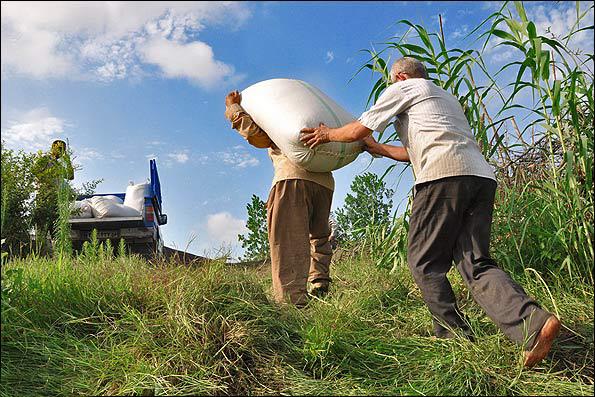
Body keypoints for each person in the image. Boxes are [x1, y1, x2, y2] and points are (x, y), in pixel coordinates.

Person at [300, 57, 561, 368]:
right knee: (475, 262)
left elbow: (358, 129)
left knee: (423, 262)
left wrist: (327, 135)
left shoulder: (404, 88)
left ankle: (455, 339)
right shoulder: (444, 97)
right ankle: (533, 324)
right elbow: (412, 152)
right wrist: (379, 148)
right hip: (480, 178)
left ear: (399, 76)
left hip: (442, 178)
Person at [224, 90, 334, 306]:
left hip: (291, 178)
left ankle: (293, 304)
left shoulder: (282, 118)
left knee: (287, 241)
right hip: (324, 184)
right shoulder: (319, 118)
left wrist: (233, 109)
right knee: (319, 236)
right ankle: (319, 280)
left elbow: (257, 137)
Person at [31, 139, 75, 246]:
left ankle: (56, 254)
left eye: (63, 150)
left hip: (56, 199)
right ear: (53, 148)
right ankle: (40, 252)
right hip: (44, 197)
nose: (61, 152)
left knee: (55, 227)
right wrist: (48, 182)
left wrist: (68, 161)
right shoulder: (44, 159)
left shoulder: (58, 165)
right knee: (42, 228)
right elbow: (34, 170)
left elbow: (70, 176)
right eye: (59, 148)